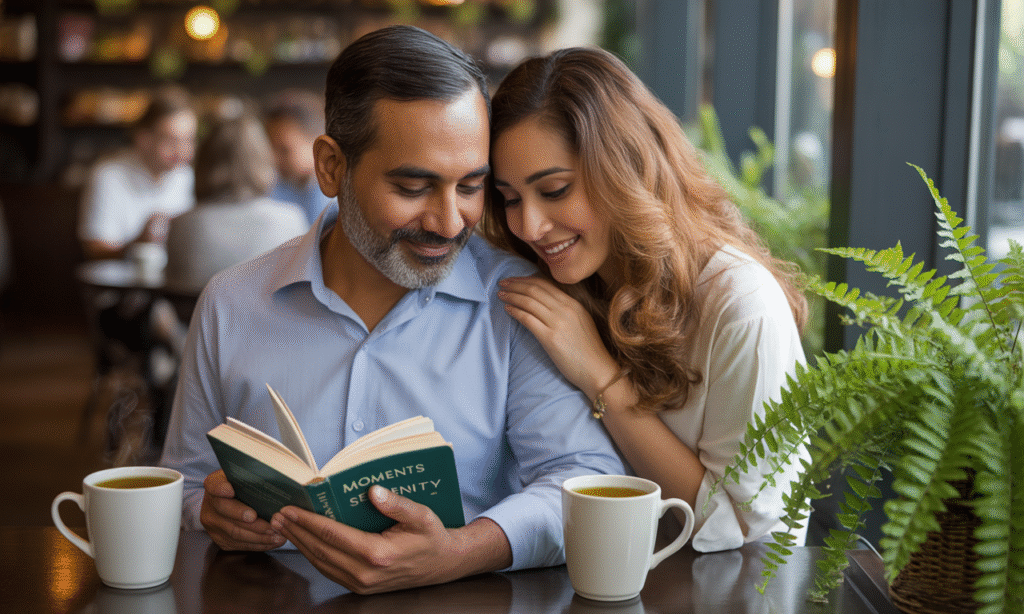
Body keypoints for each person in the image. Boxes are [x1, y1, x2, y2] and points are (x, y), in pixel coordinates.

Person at [159, 25, 624, 595]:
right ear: (331, 167)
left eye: (471, 187)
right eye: (412, 187)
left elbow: (588, 480)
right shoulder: (230, 304)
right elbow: (181, 484)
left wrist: (461, 551)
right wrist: (208, 511)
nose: (449, 222)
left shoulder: (519, 303)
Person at [482, 47, 809, 552]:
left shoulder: (742, 306)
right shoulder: (558, 283)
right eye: (509, 198)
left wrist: (600, 377)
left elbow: (750, 536)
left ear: (625, 168)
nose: (528, 226)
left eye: (555, 189)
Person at [164, 111, 309, 296]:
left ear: (203, 161)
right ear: (263, 159)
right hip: (266, 325)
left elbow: (173, 291)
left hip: (197, 324)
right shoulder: (291, 220)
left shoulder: (181, 225)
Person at [79, 86, 197, 261]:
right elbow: (95, 250)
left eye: (188, 140)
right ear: (143, 139)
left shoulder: (185, 176)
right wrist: (139, 243)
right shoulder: (108, 175)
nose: (183, 151)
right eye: (171, 140)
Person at [264, 88, 335, 225]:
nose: (274, 158)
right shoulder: (270, 189)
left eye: (284, 150)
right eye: (269, 149)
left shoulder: (340, 201)